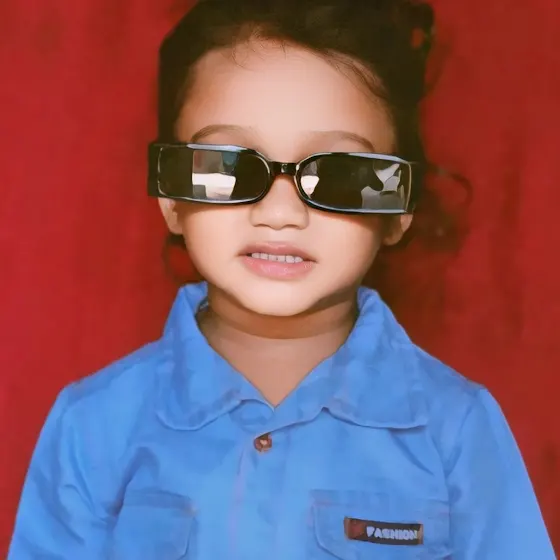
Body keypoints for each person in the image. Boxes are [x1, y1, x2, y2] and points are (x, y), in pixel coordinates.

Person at [8, 0, 556, 558]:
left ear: (400, 209)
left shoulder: (457, 429)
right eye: (228, 165)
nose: (280, 212)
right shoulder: (93, 424)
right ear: (170, 197)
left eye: (340, 172)